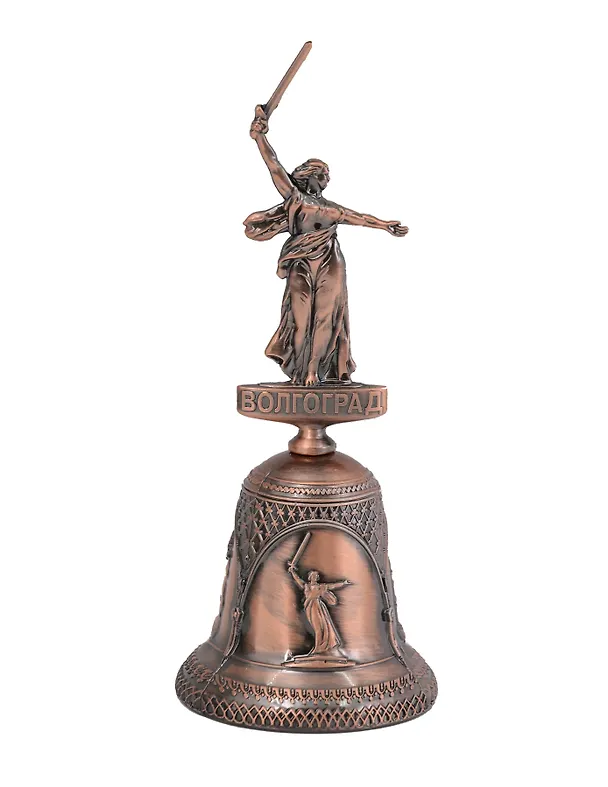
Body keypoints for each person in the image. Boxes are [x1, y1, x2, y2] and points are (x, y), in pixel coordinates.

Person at [245, 105, 408, 386]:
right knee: (299, 317)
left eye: (327, 175)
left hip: (330, 261)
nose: (327, 179)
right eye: (322, 174)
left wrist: (384, 225)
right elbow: (274, 165)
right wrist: (260, 137)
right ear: (309, 176)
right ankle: (299, 371)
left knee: (325, 316)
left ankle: (312, 370)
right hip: (300, 261)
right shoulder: (295, 198)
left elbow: (360, 218)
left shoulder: (332, 209)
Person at [288, 563, 351, 655]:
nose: (314, 577)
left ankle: (318, 647)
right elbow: (297, 579)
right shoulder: (306, 586)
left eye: (315, 576)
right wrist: (292, 571)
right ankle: (319, 646)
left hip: (317, 607)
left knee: (319, 626)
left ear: (317, 578)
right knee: (316, 627)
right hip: (309, 607)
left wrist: (343, 583)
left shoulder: (320, 587)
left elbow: (332, 586)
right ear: (310, 577)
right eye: (312, 575)